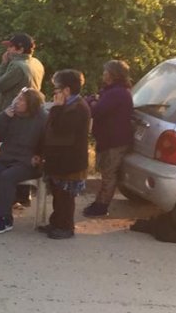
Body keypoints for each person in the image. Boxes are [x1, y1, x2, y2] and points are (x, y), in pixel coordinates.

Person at [35, 69, 91, 240]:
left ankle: (66, 226)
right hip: (58, 160)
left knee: (66, 196)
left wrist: (57, 108)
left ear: (67, 90)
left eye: (57, 90)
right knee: (58, 194)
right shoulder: (68, 105)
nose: (55, 94)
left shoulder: (77, 108)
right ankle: (56, 222)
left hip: (70, 161)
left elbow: (61, 129)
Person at [0, 87, 48, 234]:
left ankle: (4, 218)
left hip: (28, 161)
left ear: (30, 104)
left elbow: (49, 141)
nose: (16, 102)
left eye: (21, 100)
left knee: (7, 177)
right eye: (17, 98)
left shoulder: (42, 118)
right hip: (7, 157)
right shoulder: (10, 115)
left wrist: (40, 156)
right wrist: (3, 117)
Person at [84, 60, 133, 216]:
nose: (103, 74)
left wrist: (92, 101)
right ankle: (100, 201)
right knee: (106, 171)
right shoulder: (111, 91)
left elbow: (96, 110)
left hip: (115, 140)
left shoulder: (117, 93)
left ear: (113, 75)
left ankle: (102, 205)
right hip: (108, 138)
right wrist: (93, 100)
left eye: (106, 72)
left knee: (109, 173)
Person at [0, 33, 45, 111]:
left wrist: (3, 64)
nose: (8, 50)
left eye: (11, 47)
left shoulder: (17, 66)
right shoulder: (37, 63)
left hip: (15, 114)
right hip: (31, 111)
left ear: (20, 50)